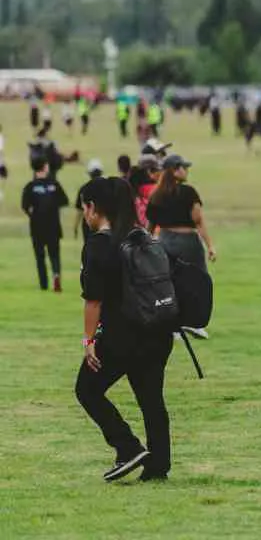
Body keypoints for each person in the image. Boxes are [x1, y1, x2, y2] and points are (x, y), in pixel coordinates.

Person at [75, 176, 175, 483]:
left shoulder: (99, 245)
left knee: (87, 390)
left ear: (92, 208)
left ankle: (127, 446)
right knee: (151, 399)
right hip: (158, 330)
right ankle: (158, 465)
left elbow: (94, 301)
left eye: (84, 209)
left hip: (123, 334)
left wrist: (89, 340)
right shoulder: (140, 236)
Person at [146, 154, 217, 338]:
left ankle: (172, 325)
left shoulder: (156, 194)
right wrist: (210, 245)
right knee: (197, 280)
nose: (186, 171)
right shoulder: (188, 192)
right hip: (188, 242)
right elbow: (198, 220)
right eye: (184, 167)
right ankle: (194, 322)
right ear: (175, 170)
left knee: (169, 283)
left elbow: (150, 225)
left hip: (165, 240)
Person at [22, 157, 69, 291]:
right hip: (53, 224)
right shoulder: (54, 184)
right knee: (54, 254)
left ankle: (43, 284)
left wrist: (33, 214)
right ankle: (56, 274)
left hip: (37, 226)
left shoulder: (30, 186)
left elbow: (25, 206)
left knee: (40, 256)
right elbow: (64, 200)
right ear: (45, 167)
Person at [74, 159, 106, 242]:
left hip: (88, 224)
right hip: (104, 223)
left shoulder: (84, 189)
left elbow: (79, 210)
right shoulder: (108, 187)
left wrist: (76, 226)